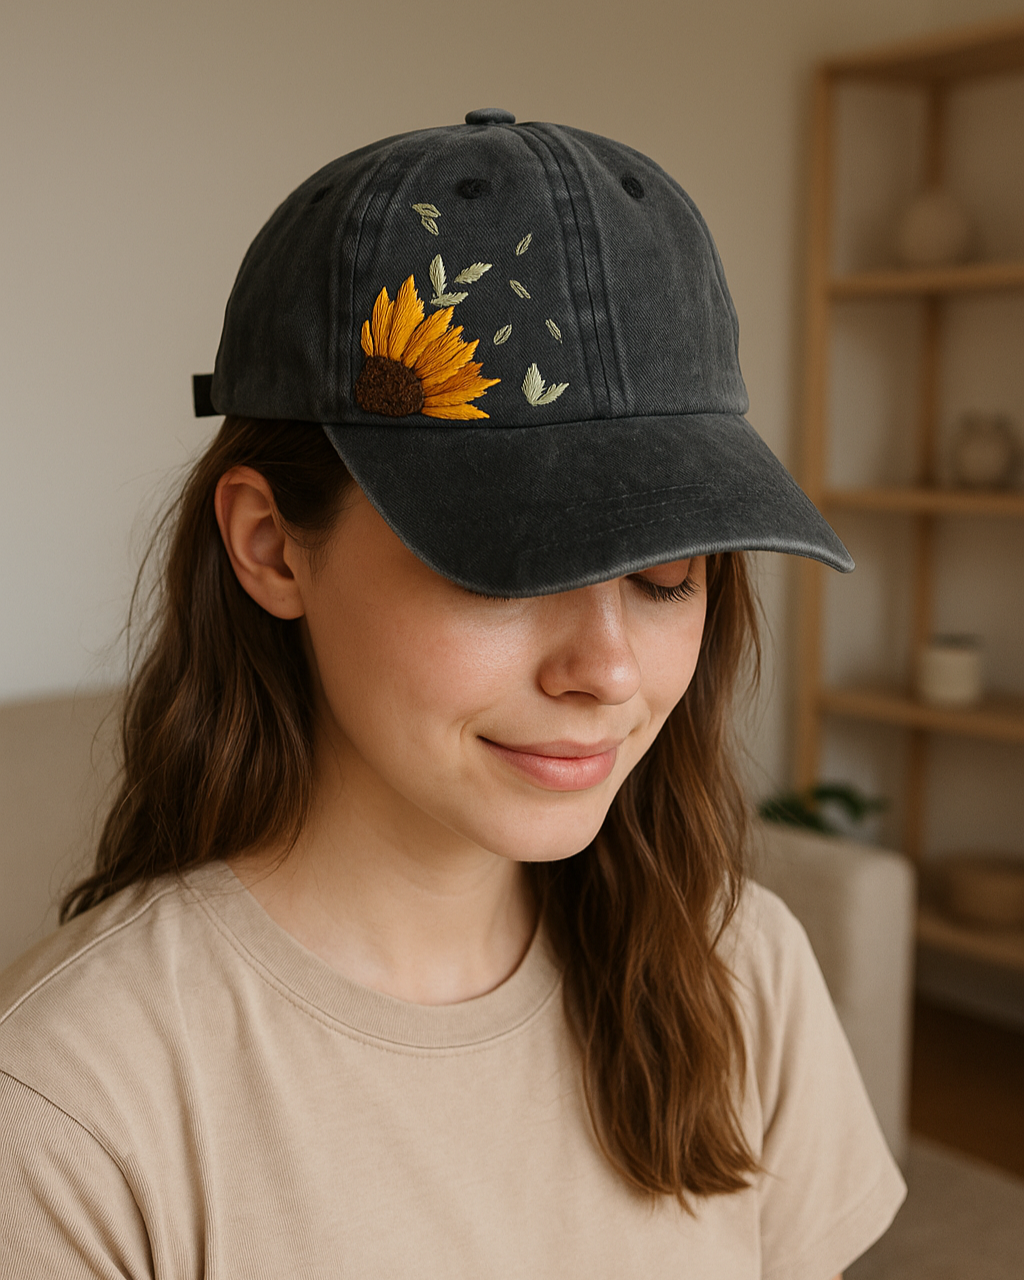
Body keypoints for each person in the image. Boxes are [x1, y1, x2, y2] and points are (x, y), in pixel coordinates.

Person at [0, 109, 904, 1278]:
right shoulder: (68, 1108)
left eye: (667, 572)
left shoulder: (741, 971)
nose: (609, 667)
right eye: (509, 565)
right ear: (273, 546)